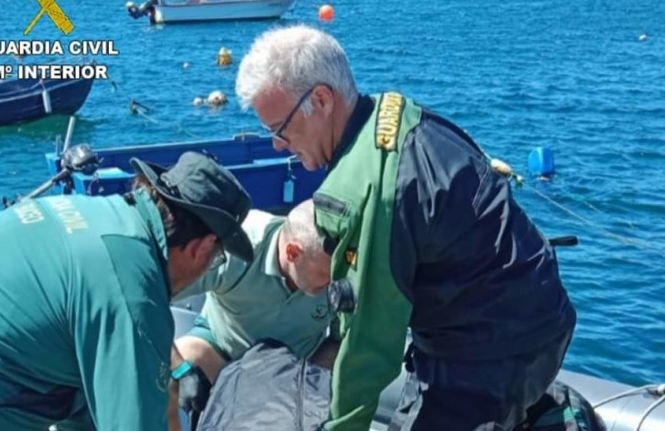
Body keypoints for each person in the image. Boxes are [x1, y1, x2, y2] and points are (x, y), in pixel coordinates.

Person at [235, 25, 577, 431]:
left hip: (488, 352)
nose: (277, 144)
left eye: (279, 129)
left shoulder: (360, 192)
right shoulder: (395, 114)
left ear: (322, 100)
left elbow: (369, 346)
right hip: (542, 313)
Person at [0, 151, 253, 431]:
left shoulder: (104, 217)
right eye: (216, 257)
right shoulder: (130, 290)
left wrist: (178, 370)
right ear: (202, 247)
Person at [167, 200, 338, 425]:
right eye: (324, 275)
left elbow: (341, 340)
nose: (331, 284)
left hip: (295, 368)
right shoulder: (236, 249)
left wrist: (311, 386)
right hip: (221, 350)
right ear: (293, 252)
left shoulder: (341, 274)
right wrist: (180, 368)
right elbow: (150, 299)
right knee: (166, 378)